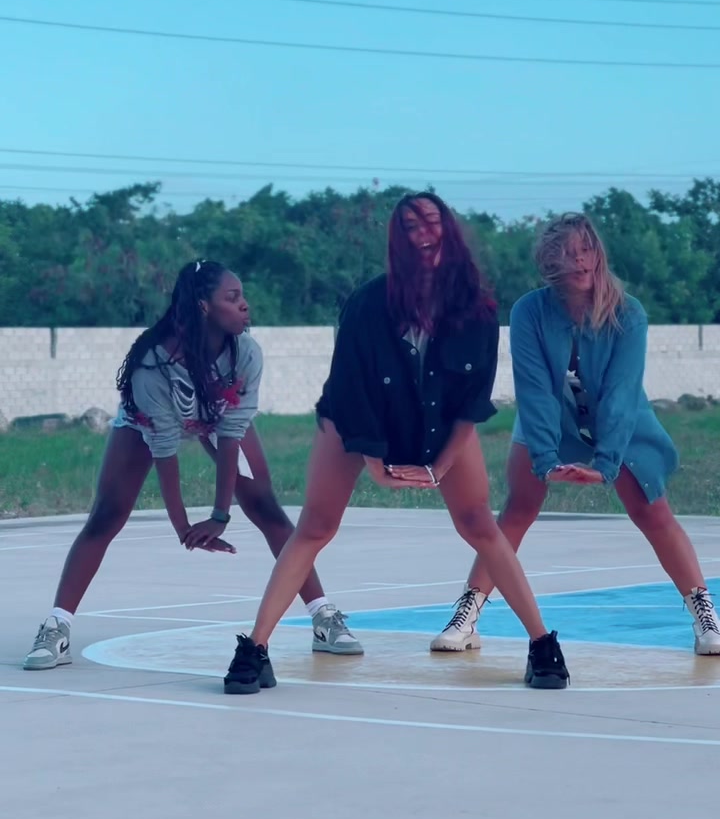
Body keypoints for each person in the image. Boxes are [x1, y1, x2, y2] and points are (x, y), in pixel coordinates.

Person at [223, 192, 568, 696]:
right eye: (409, 226)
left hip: (439, 423)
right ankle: (254, 649)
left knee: (479, 524)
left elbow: (471, 401)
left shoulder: (476, 307)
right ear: (397, 241)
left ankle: (541, 645)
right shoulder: (368, 304)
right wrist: (375, 462)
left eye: (431, 221)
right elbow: (352, 390)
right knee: (316, 526)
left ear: (449, 231)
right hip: (355, 421)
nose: (422, 233)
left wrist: (441, 466)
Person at [24, 260, 360, 674]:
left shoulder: (246, 352)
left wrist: (220, 515)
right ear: (203, 305)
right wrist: (183, 527)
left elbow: (231, 435)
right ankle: (56, 628)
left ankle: (323, 617)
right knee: (106, 515)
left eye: (243, 296)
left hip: (216, 416)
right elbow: (164, 450)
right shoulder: (152, 363)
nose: (245, 305)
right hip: (150, 421)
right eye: (232, 297)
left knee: (267, 508)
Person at [432, 212, 720, 656]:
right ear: (550, 262)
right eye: (569, 253)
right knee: (517, 509)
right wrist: (546, 460)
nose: (581, 261)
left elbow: (622, 394)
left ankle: (704, 614)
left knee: (653, 513)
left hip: (620, 421)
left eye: (587, 250)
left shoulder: (628, 313)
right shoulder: (529, 310)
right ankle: (467, 613)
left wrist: (605, 465)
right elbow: (534, 390)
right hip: (550, 418)